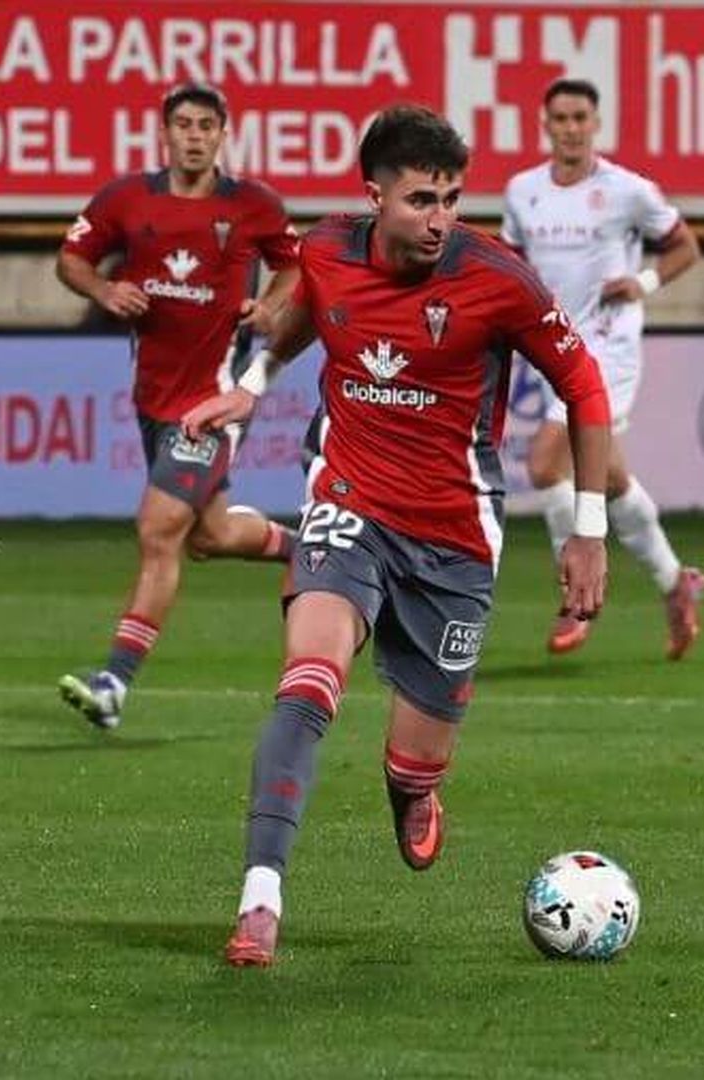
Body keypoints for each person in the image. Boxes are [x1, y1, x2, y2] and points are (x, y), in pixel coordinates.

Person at [180, 105, 614, 967]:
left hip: (455, 534)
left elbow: (585, 388)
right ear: (372, 194)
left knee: (419, 755)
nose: (440, 218)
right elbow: (312, 307)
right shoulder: (327, 248)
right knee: (307, 684)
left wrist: (588, 529)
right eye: (421, 200)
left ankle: (411, 787)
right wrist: (256, 383)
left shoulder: (501, 280)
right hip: (348, 499)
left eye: (452, 199)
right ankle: (260, 899)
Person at [55, 82, 302, 730]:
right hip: (152, 399)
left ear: (223, 133)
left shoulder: (252, 206)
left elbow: (297, 265)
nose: (194, 136)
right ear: (165, 133)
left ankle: (113, 683)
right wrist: (106, 290)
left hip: (212, 400)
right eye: (183, 125)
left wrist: (272, 304)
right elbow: (72, 258)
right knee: (208, 537)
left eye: (205, 126)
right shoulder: (127, 199)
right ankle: (305, 549)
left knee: (158, 529)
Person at [500, 78, 704, 659]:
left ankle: (576, 595)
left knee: (546, 464)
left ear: (596, 123)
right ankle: (675, 581)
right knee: (609, 478)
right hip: (554, 348)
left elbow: (685, 247)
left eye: (580, 118)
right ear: (545, 124)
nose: (570, 128)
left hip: (609, 351)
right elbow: (514, 269)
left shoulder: (628, 191)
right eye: (560, 118)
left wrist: (640, 283)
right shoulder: (523, 192)